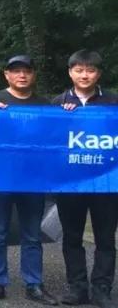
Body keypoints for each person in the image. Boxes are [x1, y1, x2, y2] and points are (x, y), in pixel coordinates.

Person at [0, 55, 58, 304]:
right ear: (7, 75)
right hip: (0, 176)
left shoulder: (44, 105)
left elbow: (55, 137)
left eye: (27, 71)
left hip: (32, 178)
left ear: (33, 75)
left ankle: (34, 284)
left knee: (32, 233)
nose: (22, 75)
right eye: (16, 71)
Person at [54, 50, 118, 307]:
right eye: (79, 70)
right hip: (70, 182)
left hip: (106, 182)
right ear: (70, 72)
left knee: (105, 238)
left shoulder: (113, 101)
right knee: (72, 237)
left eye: (90, 70)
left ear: (98, 74)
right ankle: (77, 288)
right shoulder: (57, 103)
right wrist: (62, 118)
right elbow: (44, 138)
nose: (84, 75)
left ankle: (102, 289)